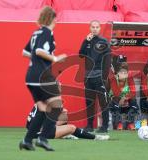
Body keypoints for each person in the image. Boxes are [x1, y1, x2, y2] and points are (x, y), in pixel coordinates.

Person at [20, 6, 69, 151]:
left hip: (30, 77)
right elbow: (39, 51)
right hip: (42, 76)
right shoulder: (47, 32)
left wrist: (37, 59)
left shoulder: (37, 32)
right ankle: (42, 138)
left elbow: (25, 52)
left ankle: (27, 140)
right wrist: (55, 58)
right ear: (54, 18)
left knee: (43, 109)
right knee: (56, 105)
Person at [79, 20, 111, 133]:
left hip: (100, 77)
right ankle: (89, 126)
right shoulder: (87, 41)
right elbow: (81, 55)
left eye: (97, 27)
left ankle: (105, 126)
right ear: (90, 28)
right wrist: (85, 41)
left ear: (100, 28)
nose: (95, 29)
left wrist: (105, 77)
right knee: (89, 102)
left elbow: (108, 60)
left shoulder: (104, 42)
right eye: (93, 27)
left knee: (103, 102)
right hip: (88, 77)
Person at [26, 104, 110, 140]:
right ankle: (95, 137)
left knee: (64, 117)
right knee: (72, 128)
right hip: (38, 132)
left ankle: (64, 135)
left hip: (33, 130)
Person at [109, 62, 138, 130]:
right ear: (117, 73)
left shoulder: (130, 79)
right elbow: (116, 93)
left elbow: (133, 92)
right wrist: (123, 98)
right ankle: (119, 123)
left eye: (125, 73)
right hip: (115, 101)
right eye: (121, 72)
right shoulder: (113, 79)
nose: (124, 74)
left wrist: (125, 98)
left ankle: (130, 123)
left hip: (126, 100)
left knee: (133, 102)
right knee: (116, 100)